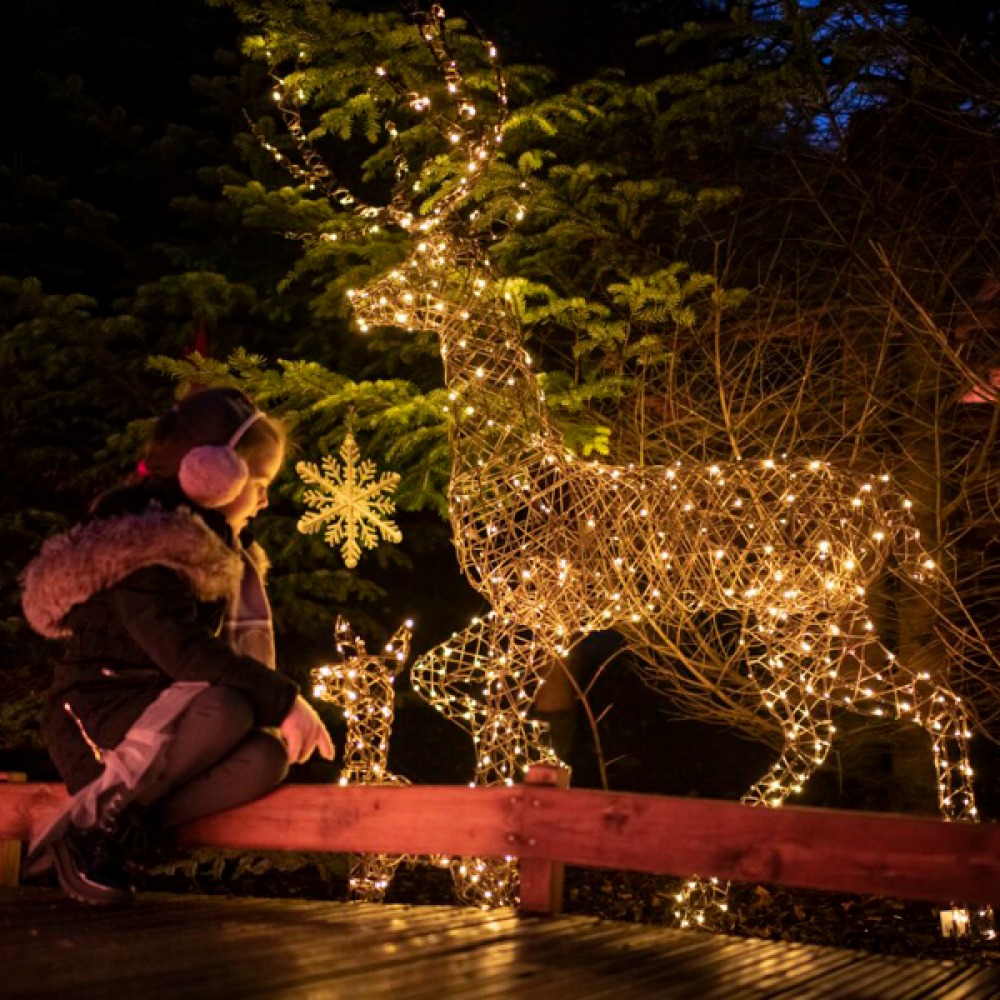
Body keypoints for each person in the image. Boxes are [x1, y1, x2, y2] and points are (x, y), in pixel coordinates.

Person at [21, 387, 335, 905]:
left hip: (160, 724)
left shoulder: (204, 549)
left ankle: (108, 837)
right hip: (94, 715)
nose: (264, 499)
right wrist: (285, 699)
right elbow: (183, 654)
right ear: (213, 477)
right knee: (228, 707)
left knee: (266, 756)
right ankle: (88, 834)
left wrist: (274, 710)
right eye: (258, 483)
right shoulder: (143, 544)